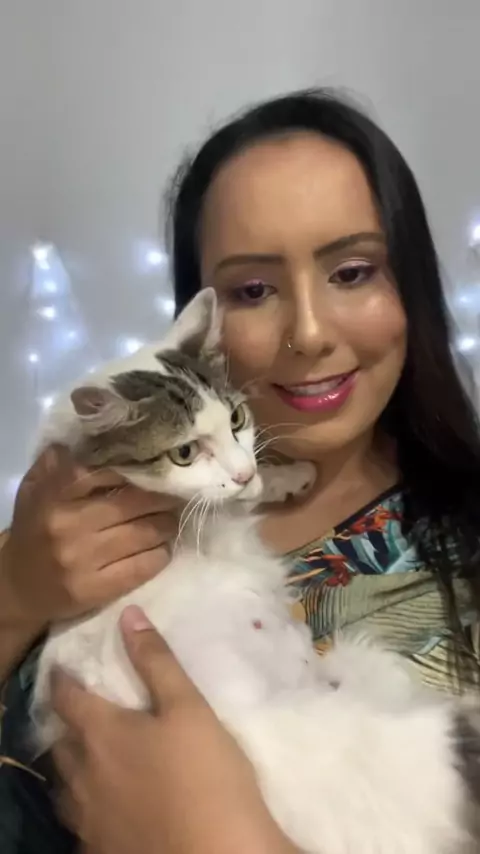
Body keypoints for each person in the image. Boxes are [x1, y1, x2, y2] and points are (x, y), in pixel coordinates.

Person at [1, 87, 480, 853]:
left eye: (352, 271)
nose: (310, 333)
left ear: (411, 281)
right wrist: (15, 596)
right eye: (253, 290)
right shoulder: (78, 517)